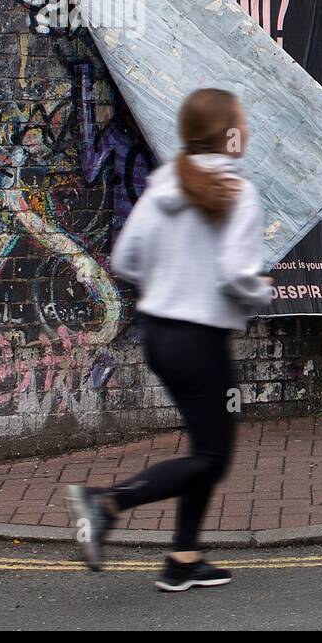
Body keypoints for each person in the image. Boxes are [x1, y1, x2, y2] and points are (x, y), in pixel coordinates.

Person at [66, 87, 274, 590]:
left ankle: (182, 559)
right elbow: (234, 273)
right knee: (212, 456)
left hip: (159, 335)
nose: (246, 130)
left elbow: (125, 261)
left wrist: (171, 281)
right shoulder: (237, 193)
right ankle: (106, 502)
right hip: (200, 342)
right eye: (242, 122)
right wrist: (260, 290)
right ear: (228, 135)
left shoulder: (163, 186)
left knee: (204, 447)